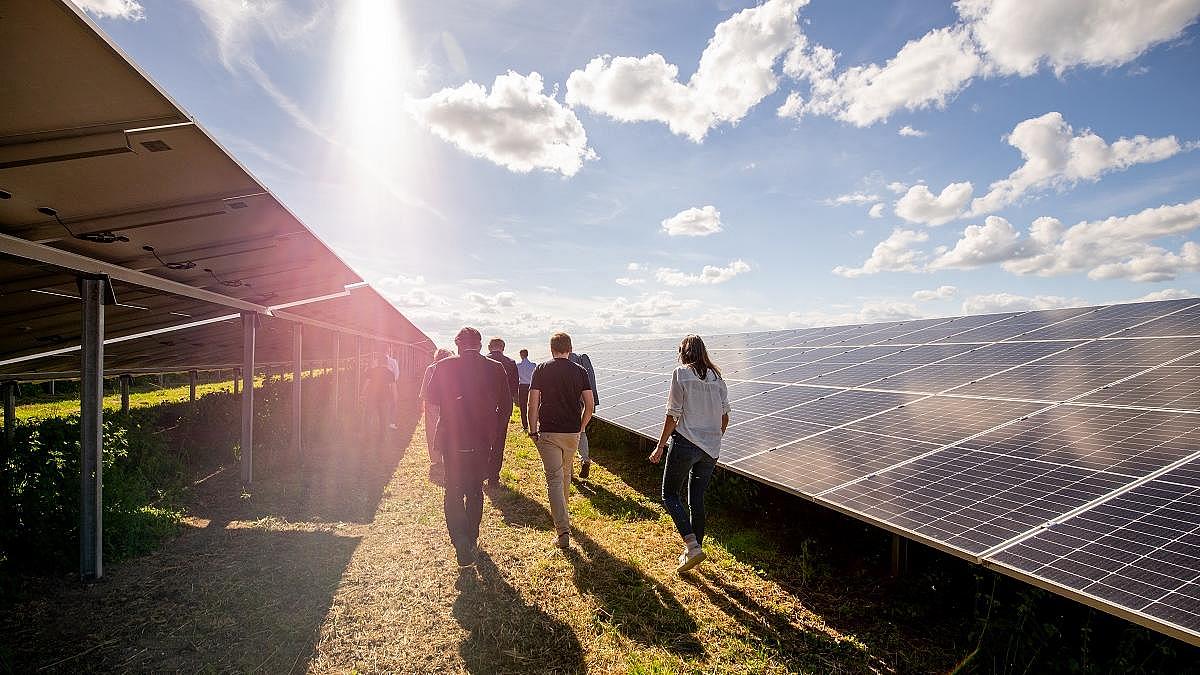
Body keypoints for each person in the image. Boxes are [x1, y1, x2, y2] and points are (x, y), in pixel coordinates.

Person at [424, 328, 510, 566]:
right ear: (481, 346)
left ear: (457, 344)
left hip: (452, 439)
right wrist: (494, 433)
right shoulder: (495, 368)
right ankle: (471, 538)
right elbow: (506, 407)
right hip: (482, 440)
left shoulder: (443, 366)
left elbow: (431, 399)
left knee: (453, 489)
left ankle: (460, 542)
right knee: (474, 489)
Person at [649, 334, 729, 573]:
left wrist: (660, 445)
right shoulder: (718, 378)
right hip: (711, 448)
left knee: (669, 494)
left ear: (684, 352)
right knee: (697, 499)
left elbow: (673, 414)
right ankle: (694, 551)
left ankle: (692, 546)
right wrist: (715, 438)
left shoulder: (681, 373)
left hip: (685, 443)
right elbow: (725, 416)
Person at [527, 332, 594, 549]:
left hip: (548, 432)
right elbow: (589, 405)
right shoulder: (581, 371)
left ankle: (563, 530)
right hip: (571, 433)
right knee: (565, 475)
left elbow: (532, 402)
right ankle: (564, 518)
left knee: (554, 480)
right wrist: (581, 427)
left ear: (551, 349)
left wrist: (532, 429)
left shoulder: (541, 369)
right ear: (570, 348)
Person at [484, 337, 518, 485]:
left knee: (482, 440)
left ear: (489, 347)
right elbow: (514, 386)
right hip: (504, 407)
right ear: (503, 347)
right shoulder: (510, 363)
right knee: (499, 441)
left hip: (484, 407)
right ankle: (494, 476)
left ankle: (482, 471)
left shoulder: (483, 361)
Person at [419, 347, 454, 466]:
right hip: (449, 403)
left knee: (432, 429)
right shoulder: (453, 368)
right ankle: (448, 454)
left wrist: (423, 403)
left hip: (432, 403)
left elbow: (425, 389)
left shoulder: (430, 368)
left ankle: (436, 458)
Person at [568, 350, 599, 479]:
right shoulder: (583, 358)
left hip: (571, 404)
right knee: (582, 431)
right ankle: (585, 459)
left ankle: (569, 470)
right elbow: (591, 379)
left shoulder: (565, 363)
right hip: (585, 401)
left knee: (567, 434)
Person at [359, 354, 394, 447]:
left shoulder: (372, 371)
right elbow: (393, 387)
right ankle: (382, 438)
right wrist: (394, 398)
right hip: (384, 398)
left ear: (378, 362)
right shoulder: (390, 372)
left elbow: (366, 383)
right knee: (383, 418)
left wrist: (362, 394)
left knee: (368, 417)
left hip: (372, 397)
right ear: (386, 362)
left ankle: (367, 437)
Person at [515, 349, 536, 432]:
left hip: (522, 387)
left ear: (521, 355)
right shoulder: (533, 365)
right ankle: (534, 425)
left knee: (523, 407)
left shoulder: (518, 365)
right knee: (533, 406)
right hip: (531, 386)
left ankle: (525, 426)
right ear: (527, 354)